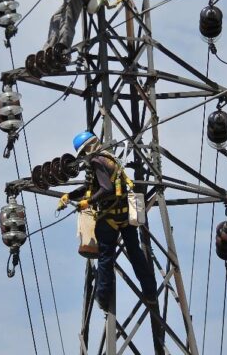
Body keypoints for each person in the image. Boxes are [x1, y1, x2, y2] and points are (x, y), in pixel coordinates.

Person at [58, 131, 158, 311]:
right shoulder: (109, 158)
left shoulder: (97, 161)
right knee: (135, 253)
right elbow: (90, 186)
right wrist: (70, 196)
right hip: (125, 216)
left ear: (87, 149)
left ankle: (104, 298)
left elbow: (106, 188)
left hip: (109, 218)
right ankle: (151, 293)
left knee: (105, 258)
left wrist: (88, 202)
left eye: (83, 153)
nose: (83, 158)